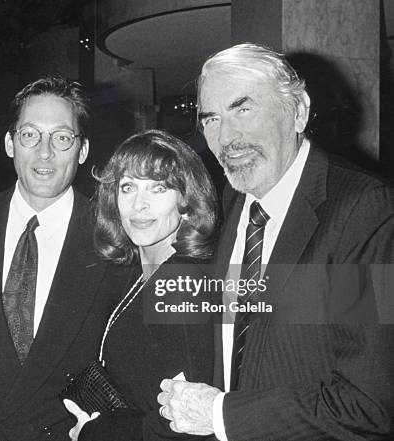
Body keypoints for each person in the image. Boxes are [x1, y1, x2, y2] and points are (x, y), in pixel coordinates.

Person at [158, 43, 394, 440]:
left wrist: (222, 415)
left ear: (298, 110)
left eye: (243, 109)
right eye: (211, 118)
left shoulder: (362, 211)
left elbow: (368, 405)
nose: (226, 138)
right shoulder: (232, 202)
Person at [0, 75, 129, 441]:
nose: (45, 153)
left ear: (83, 149)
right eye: (30, 135)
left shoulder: (115, 238)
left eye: (62, 138)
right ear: (10, 143)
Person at [63, 129, 219, 441]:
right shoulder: (141, 273)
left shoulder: (182, 281)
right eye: (128, 187)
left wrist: (96, 433)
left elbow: (185, 425)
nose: (139, 205)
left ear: (187, 201)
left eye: (158, 189)